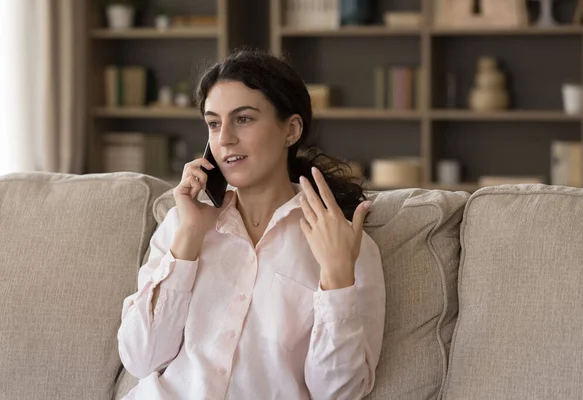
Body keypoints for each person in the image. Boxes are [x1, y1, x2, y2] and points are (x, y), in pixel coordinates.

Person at [117, 49, 386, 400]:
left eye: (243, 119)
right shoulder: (183, 224)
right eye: (214, 123)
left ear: (291, 129)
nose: (225, 138)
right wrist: (187, 240)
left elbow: (338, 393)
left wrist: (337, 278)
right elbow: (140, 359)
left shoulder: (345, 245)